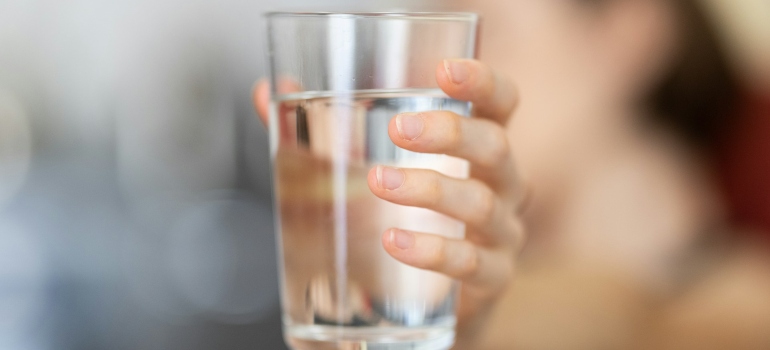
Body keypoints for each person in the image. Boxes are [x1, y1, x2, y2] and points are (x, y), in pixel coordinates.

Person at [254, 0, 770, 348]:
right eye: (426, 40)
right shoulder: (434, 291)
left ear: (629, 31)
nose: (430, 74)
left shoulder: (737, 304)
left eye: (486, 31)